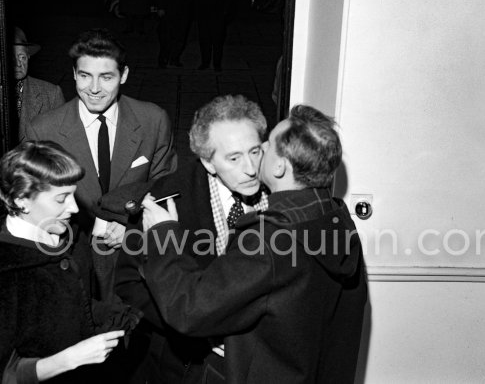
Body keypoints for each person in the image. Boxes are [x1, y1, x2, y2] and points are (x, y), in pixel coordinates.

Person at [138, 104, 368, 384]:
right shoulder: (337, 217)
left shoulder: (268, 240)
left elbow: (189, 310)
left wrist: (163, 236)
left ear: (280, 166)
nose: (256, 156)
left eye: (266, 146)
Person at [99, 94, 269, 383]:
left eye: (255, 152)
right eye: (234, 158)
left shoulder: (280, 191)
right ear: (208, 162)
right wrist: (189, 328)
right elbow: (128, 282)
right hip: (186, 364)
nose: (251, 169)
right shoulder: (165, 199)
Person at [24, 28, 177, 301]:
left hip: (134, 256)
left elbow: (167, 185)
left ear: (124, 75)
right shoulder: (43, 130)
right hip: (71, 256)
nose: (94, 89)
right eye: (85, 76)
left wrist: (134, 225)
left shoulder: (153, 120)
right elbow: (34, 208)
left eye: (106, 77)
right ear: (73, 74)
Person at [0, 140, 139, 384]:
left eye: (73, 195)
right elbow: (7, 373)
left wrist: (122, 314)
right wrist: (70, 358)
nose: (74, 208)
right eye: (61, 198)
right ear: (22, 200)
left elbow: (75, 303)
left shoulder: (70, 233)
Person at [12, 26, 65, 141]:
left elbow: (61, 145)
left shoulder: (51, 94)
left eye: (22, 57)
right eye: (11, 58)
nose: (18, 64)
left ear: (29, 56)